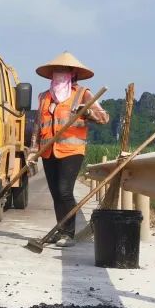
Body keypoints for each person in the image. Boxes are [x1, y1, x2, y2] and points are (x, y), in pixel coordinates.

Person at [35, 51, 110, 247]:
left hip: (71, 151)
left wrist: (87, 112)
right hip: (48, 151)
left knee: (64, 191)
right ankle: (60, 229)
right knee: (55, 193)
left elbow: (104, 117)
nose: (59, 74)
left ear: (72, 74)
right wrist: (33, 151)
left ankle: (69, 233)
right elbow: (37, 125)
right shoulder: (44, 97)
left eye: (64, 70)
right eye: (56, 71)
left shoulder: (82, 94)